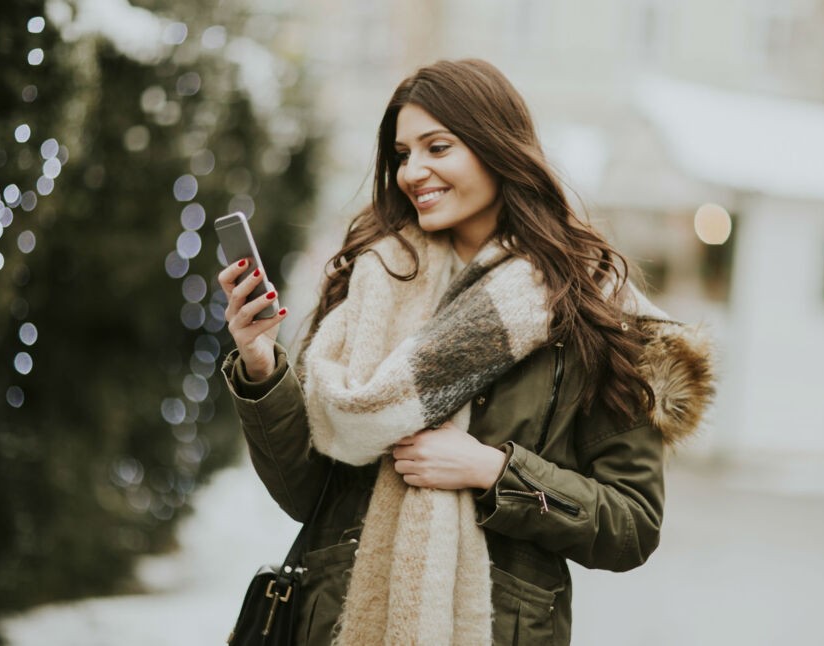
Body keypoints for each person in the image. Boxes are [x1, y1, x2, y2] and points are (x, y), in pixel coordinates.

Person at [217, 59, 713, 646]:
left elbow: (630, 526)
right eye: (402, 154)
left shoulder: (590, 310)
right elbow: (309, 496)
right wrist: (259, 362)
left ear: (497, 148)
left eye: (437, 147)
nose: (412, 172)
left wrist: (494, 471)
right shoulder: (376, 280)